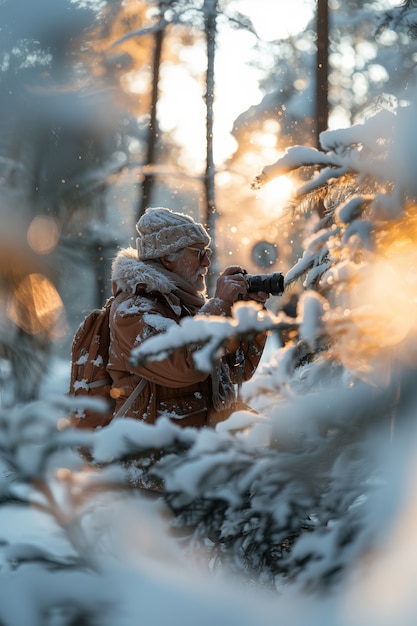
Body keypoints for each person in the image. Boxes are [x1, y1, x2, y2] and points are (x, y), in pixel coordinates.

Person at [107, 206, 269, 428]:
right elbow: (185, 365)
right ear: (167, 258)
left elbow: (232, 373)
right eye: (198, 253)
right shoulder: (132, 310)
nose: (207, 263)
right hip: (154, 453)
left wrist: (248, 311)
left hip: (198, 444)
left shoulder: (186, 306)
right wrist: (219, 304)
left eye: (207, 253)